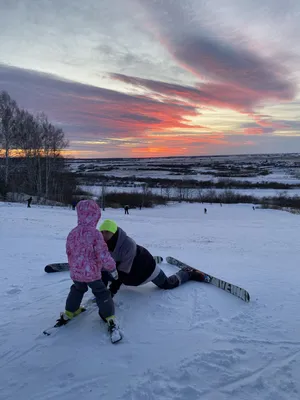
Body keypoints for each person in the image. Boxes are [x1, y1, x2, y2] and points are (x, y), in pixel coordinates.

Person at [57, 200, 122, 342]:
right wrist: (112, 268)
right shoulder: (95, 234)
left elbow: (69, 252)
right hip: (92, 273)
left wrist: (74, 266)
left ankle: (69, 312)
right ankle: (109, 317)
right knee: (101, 292)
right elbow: (103, 254)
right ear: (95, 216)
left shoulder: (72, 233)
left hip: (76, 272)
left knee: (77, 289)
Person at [99, 219, 211, 298]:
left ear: (114, 233)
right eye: (102, 232)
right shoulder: (102, 244)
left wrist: (112, 291)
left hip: (147, 268)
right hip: (130, 274)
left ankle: (188, 273)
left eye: (107, 232)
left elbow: (123, 271)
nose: (104, 235)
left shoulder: (128, 244)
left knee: (167, 284)